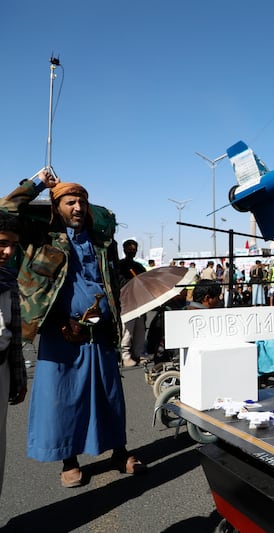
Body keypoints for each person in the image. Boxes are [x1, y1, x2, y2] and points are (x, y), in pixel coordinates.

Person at [0, 169, 145, 488]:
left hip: (98, 331)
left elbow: (104, 284)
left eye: (81, 201)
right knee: (65, 398)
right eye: (69, 201)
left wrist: (100, 318)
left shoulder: (100, 240)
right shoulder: (39, 234)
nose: (78, 207)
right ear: (56, 206)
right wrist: (36, 183)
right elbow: (4, 210)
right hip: (58, 332)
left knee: (109, 395)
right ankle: (69, 460)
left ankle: (118, 453)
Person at [0, 212, 26, 497]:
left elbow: (14, 337)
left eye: (12, 245)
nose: (8, 251)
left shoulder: (8, 281)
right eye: (2, 243)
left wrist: (18, 378)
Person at [118, 239, 147, 367]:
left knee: (140, 329)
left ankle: (139, 353)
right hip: (126, 302)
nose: (132, 251)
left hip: (140, 302)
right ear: (124, 250)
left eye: (134, 249)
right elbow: (120, 283)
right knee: (127, 331)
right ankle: (125, 356)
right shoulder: (119, 266)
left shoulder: (139, 267)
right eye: (130, 249)